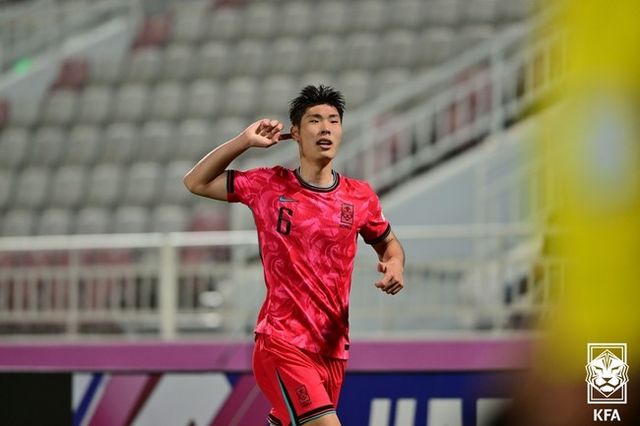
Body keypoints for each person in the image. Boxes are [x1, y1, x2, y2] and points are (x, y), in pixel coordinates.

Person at [184, 85, 405, 426]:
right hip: (282, 342)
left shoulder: (359, 196)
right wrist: (244, 141)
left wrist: (395, 264)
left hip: (332, 349)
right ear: (296, 133)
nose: (325, 128)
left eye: (333, 120)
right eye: (314, 120)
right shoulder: (269, 185)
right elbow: (196, 182)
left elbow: (389, 244)